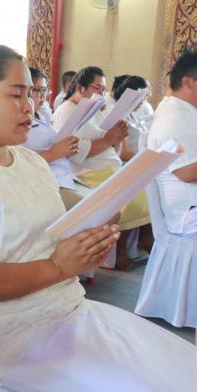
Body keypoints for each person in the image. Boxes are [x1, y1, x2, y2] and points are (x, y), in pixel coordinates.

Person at [0, 44, 197, 392]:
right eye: (15, 95)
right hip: (8, 335)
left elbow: (62, 216)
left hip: (66, 309)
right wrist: (57, 267)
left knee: (187, 376)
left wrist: (101, 222)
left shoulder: (29, 161)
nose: (29, 106)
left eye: (31, 94)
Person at [53, 66, 149, 269]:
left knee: (145, 188)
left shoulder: (95, 110)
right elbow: (75, 151)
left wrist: (116, 137)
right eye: (97, 88)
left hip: (108, 166)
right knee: (129, 196)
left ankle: (134, 246)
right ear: (80, 87)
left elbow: (108, 142)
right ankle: (120, 252)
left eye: (103, 90)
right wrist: (108, 140)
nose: (101, 94)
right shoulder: (66, 111)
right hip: (87, 172)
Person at [147, 48, 197, 239]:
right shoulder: (175, 116)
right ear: (187, 82)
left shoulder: (185, 111)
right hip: (188, 213)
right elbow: (188, 172)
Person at [23, 67, 84, 210]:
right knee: (102, 213)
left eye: (45, 90)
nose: (43, 96)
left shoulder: (41, 116)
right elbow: (18, 161)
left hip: (65, 177)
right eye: (39, 90)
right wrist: (54, 153)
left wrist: (66, 149)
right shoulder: (17, 123)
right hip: (46, 183)